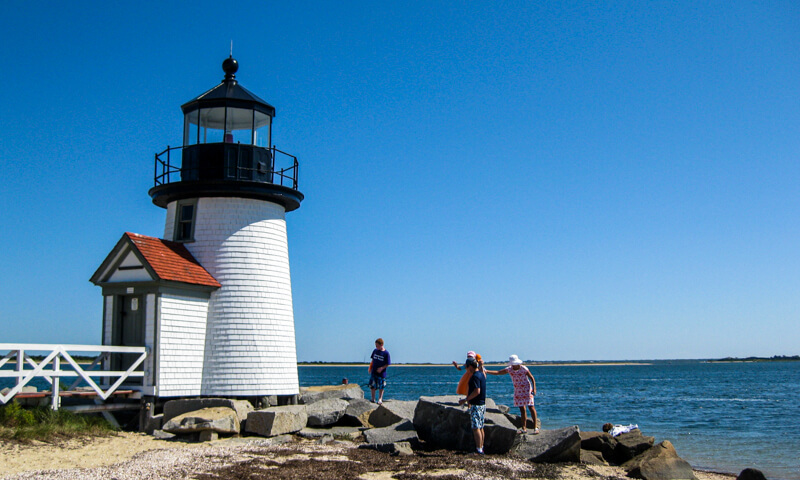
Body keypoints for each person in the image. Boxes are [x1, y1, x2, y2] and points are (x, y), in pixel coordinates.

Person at [486, 354, 538, 434]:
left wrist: (534, 388)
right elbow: (498, 372)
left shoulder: (524, 368)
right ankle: (524, 428)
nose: (514, 365)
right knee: (522, 409)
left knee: (531, 407)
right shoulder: (509, 369)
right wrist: (486, 371)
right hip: (518, 390)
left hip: (527, 390)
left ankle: (535, 427)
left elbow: (532, 378)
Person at [458, 357, 487, 454]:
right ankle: (481, 447)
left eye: (467, 366)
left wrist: (465, 400)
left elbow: (477, 391)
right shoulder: (481, 374)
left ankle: (479, 449)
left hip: (476, 405)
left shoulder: (475, 376)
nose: (466, 368)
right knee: (481, 427)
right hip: (482, 404)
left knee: (476, 428)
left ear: (470, 366)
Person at [368, 338, 391, 404]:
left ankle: (380, 399)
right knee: (372, 385)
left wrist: (381, 368)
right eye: (376, 346)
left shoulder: (386, 353)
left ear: (381, 345)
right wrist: (370, 367)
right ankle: (373, 398)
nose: (376, 347)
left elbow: (388, 363)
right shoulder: (375, 351)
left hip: (381, 373)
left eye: (377, 345)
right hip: (374, 371)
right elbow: (372, 360)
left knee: (381, 386)